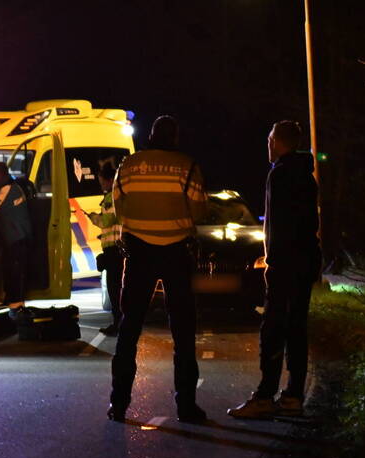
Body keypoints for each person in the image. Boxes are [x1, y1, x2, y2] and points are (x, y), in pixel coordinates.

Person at [108, 116, 208, 424]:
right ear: (175, 137)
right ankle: (186, 406)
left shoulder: (128, 165)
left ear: (150, 136)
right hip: (176, 253)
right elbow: (199, 210)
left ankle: (119, 404)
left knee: (129, 329)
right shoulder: (186, 165)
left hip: (138, 254)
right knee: (183, 331)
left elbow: (118, 205)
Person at [229, 120, 321, 419]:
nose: (267, 146)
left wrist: (272, 264)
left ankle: (265, 395)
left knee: (272, 329)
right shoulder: (307, 175)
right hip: (305, 262)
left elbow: (278, 225)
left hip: (285, 265)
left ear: (278, 142)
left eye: (270, 140)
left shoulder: (279, 175)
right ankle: (294, 395)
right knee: (296, 328)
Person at [0, 162, 33, 321]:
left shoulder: (7, 190)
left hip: (16, 239)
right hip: (17, 238)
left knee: (14, 274)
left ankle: (16, 311)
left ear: (1, 174)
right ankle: (16, 308)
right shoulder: (12, 188)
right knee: (13, 273)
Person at [88, 163, 122, 337]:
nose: (101, 185)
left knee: (114, 289)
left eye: (102, 181)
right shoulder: (119, 195)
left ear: (109, 180)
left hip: (113, 250)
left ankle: (118, 323)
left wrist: (94, 217)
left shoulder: (110, 197)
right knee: (116, 288)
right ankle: (119, 323)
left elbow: (106, 222)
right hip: (117, 248)